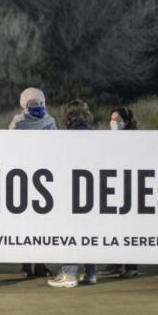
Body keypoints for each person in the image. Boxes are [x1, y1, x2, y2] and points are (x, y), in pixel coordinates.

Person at [49, 99, 97, 288]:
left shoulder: (67, 137)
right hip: (91, 190)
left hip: (72, 190)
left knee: (71, 232)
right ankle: (91, 273)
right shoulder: (93, 136)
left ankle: (69, 273)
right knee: (88, 234)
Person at [9, 87, 55, 279]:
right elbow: (10, 146)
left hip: (45, 178)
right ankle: (26, 265)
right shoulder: (19, 122)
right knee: (26, 224)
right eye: (32, 103)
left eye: (40, 103)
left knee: (43, 224)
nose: (37, 106)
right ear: (25, 105)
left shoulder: (50, 121)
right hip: (24, 177)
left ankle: (41, 264)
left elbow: (56, 146)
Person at [100, 106, 140, 279]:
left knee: (129, 229)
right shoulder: (109, 139)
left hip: (130, 189)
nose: (114, 123)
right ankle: (115, 264)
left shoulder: (136, 139)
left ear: (127, 121)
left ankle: (131, 266)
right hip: (113, 188)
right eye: (112, 120)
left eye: (118, 120)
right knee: (113, 228)